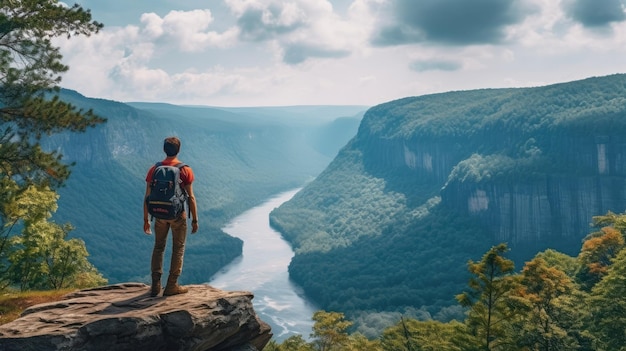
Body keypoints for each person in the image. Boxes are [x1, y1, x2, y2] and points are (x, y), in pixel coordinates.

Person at [143, 136, 198, 296]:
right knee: (178, 249)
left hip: (159, 214)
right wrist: (194, 219)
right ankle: (172, 286)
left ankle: (155, 285)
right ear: (178, 150)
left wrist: (145, 219)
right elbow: (191, 197)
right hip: (178, 216)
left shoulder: (154, 169)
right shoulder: (185, 170)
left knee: (159, 247)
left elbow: (147, 196)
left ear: (164, 149)